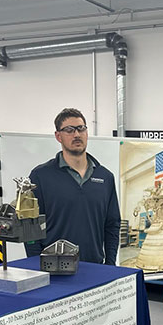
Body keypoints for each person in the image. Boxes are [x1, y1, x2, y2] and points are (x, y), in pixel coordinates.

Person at [25, 107, 120, 264]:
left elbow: (112, 225)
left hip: (95, 267)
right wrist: (37, 265)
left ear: (86, 133)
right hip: (54, 269)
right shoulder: (40, 176)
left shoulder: (105, 177)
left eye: (81, 128)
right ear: (58, 136)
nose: (77, 134)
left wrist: (110, 264)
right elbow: (30, 227)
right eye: (69, 130)